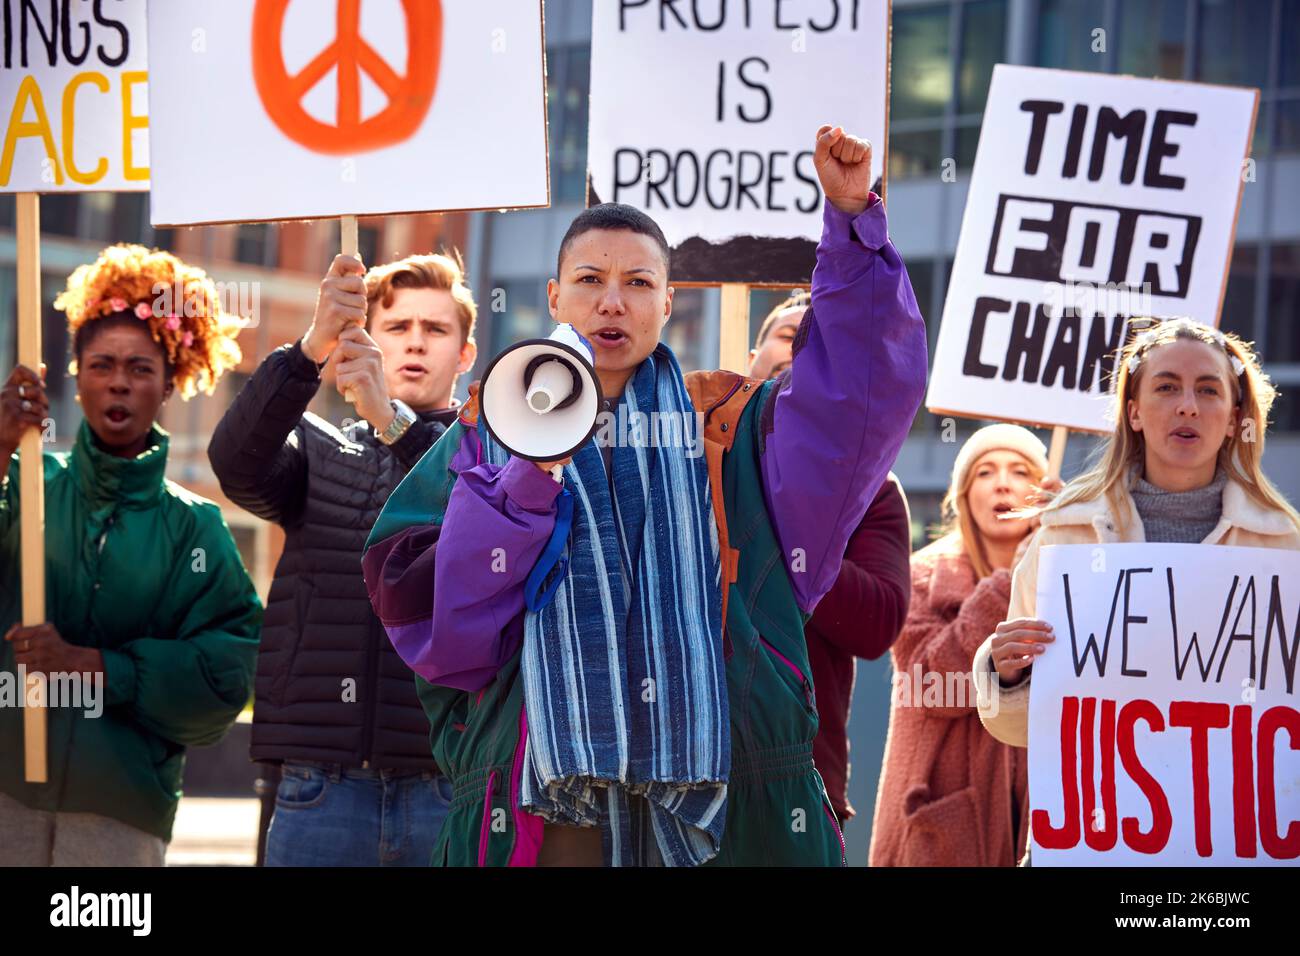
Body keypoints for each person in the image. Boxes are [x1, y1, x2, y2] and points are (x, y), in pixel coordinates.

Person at [364, 124, 928, 866]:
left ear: (669, 303)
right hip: (545, 802)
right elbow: (447, 631)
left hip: (728, 792)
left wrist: (852, 229)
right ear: (556, 297)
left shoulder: (731, 426)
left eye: (637, 283)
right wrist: (528, 477)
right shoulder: (488, 431)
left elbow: (859, 396)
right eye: (592, 281)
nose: (612, 303)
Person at [208, 252, 477, 866]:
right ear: (364, 340)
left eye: (435, 330)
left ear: (464, 355)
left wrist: (391, 418)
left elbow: (471, 519)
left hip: (444, 787)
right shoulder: (317, 451)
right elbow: (236, 465)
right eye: (397, 327)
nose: (415, 342)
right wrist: (308, 349)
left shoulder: (492, 461)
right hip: (317, 787)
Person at [0, 243, 261, 866]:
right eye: (102, 364)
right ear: (76, 374)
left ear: (170, 384)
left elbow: (226, 679)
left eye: (140, 368)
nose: (119, 380)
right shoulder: (23, 486)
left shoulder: (196, 530)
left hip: (119, 815)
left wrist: (99, 667)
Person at [975, 319, 1300, 755]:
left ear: (1233, 419)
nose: (1188, 406)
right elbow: (1022, 729)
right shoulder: (1066, 535)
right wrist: (1006, 674)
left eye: (1208, 390)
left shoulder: (1283, 546)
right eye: (1167, 387)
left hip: (1233, 820)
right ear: (1134, 412)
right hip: (1100, 820)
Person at [748, 291, 913, 828]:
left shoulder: (873, 491)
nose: (797, 345)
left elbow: (876, 627)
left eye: (816, 342)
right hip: (672, 782)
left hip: (800, 789)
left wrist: (788, 517)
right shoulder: (692, 461)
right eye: (784, 333)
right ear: (752, 354)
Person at [870, 424, 1058, 866]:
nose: (1004, 483)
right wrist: (1009, 582)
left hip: (1039, 815)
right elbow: (930, 686)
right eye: (985, 472)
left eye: (1020, 471)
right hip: (944, 829)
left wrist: (1069, 535)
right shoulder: (920, 576)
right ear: (963, 496)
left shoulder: (1068, 573)